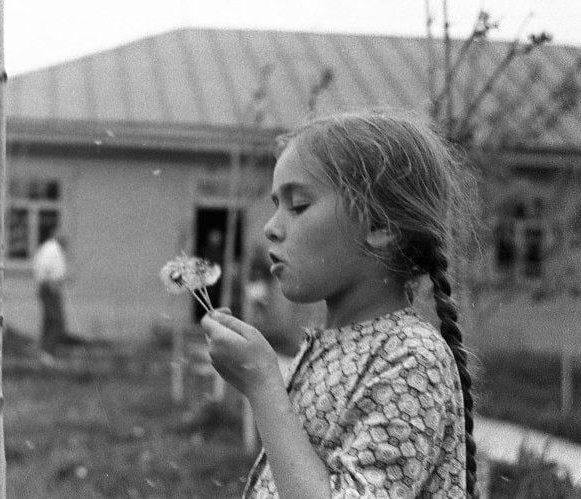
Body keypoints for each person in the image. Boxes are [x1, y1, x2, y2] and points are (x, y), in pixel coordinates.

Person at [201, 110, 479, 498]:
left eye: (298, 205)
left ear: (379, 226)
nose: (271, 227)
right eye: (276, 204)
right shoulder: (333, 345)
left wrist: (262, 385)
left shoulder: (414, 358)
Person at [33, 235, 69, 365]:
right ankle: (47, 352)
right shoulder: (53, 250)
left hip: (46, 286)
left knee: (48, 320)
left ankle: (43, 351)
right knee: (57, 321)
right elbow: (50, 270)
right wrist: (52, 283)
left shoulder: (46, 248)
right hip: (50, 287)